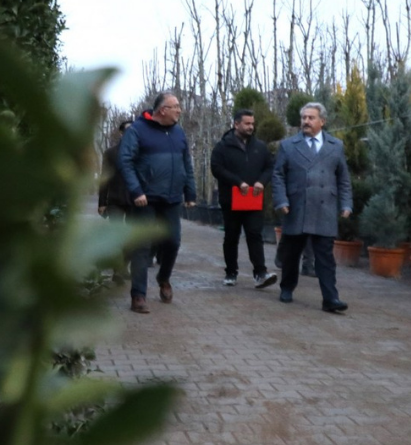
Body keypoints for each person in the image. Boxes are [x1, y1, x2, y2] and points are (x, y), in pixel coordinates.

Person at [118, 92, 197, 313]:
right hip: (145, 199)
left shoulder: (179, 133)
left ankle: (163, 278)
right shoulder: (137, 131)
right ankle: (138, 295)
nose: (180, 110)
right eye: (176, 107)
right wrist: (136, 190)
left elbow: (186, 164)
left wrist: (190, 192)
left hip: (171, 198)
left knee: (172, 242)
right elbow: (125, 161)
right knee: (142, 247)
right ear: (163, 110)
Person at [272, 102, 352, 313]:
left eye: (311, 118)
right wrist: (282, 201)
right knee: (291, 253)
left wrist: (346, 204)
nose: (306, 121)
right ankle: (287, 287)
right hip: (296, 207)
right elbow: (278, 175)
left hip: (324, 208)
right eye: (304, 118)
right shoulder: (288, 145)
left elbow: (343, 178)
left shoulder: (336, 146)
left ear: (322, 121)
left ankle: (330, 298)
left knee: (325, 257)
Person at [210, 109, 277, 289]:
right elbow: (216, 168)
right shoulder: (223, 146)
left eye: (252, 124)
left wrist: (262, 182)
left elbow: (270, 167)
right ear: (236, 124)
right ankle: (231, 272)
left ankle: (261, 273)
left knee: (255, 234)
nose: (250, 127)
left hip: (254, 199)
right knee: (231, 236)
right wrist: (237, 182)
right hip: (231, 199)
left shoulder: (260, 147)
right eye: (247, 123)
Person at [98, 119, 134, 281]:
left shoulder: (140, 151)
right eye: (127, 130)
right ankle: (117, 270)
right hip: (115, 200)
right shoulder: (111, 153)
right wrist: (102, 202)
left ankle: (124, 266)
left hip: (136, 200)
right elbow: (104, 178)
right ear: (121, 133)